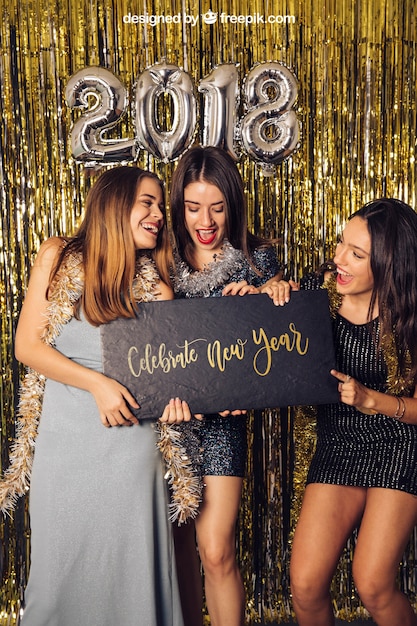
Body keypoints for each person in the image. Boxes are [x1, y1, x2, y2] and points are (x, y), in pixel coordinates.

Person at [13, 165, 192, 626]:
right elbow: (28, 346)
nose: (158, 215)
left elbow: (167, 381)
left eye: (159, 206)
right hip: (63, 443)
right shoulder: (57, 255)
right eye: (146, 203)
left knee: (131, 574)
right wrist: (96, 383)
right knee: (57, 577)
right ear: (115, 205)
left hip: (129, 446)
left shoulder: (157, 290)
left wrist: (179, 406)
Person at [169, 145, 289, 626]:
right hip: (167, 425)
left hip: (224, 427)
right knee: (176, 554)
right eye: (194, 207)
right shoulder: (159, 257)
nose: (206, 220)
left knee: (216, 551)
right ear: (179, 205)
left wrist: (271, 295)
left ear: (232, 205)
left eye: (217, 207)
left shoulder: (256, 260)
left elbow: (291, 332)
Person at [290, 198, 417, 626]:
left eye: (356, 254)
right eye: (342, 244)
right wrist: (267, 294)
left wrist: (372, 401)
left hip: (397, 442)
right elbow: (264, 343)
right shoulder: (316, 295)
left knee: (373, 583)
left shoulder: (410, 316)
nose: (338, 260)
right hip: (338, 441)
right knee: (305, 586)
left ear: (389, 265)